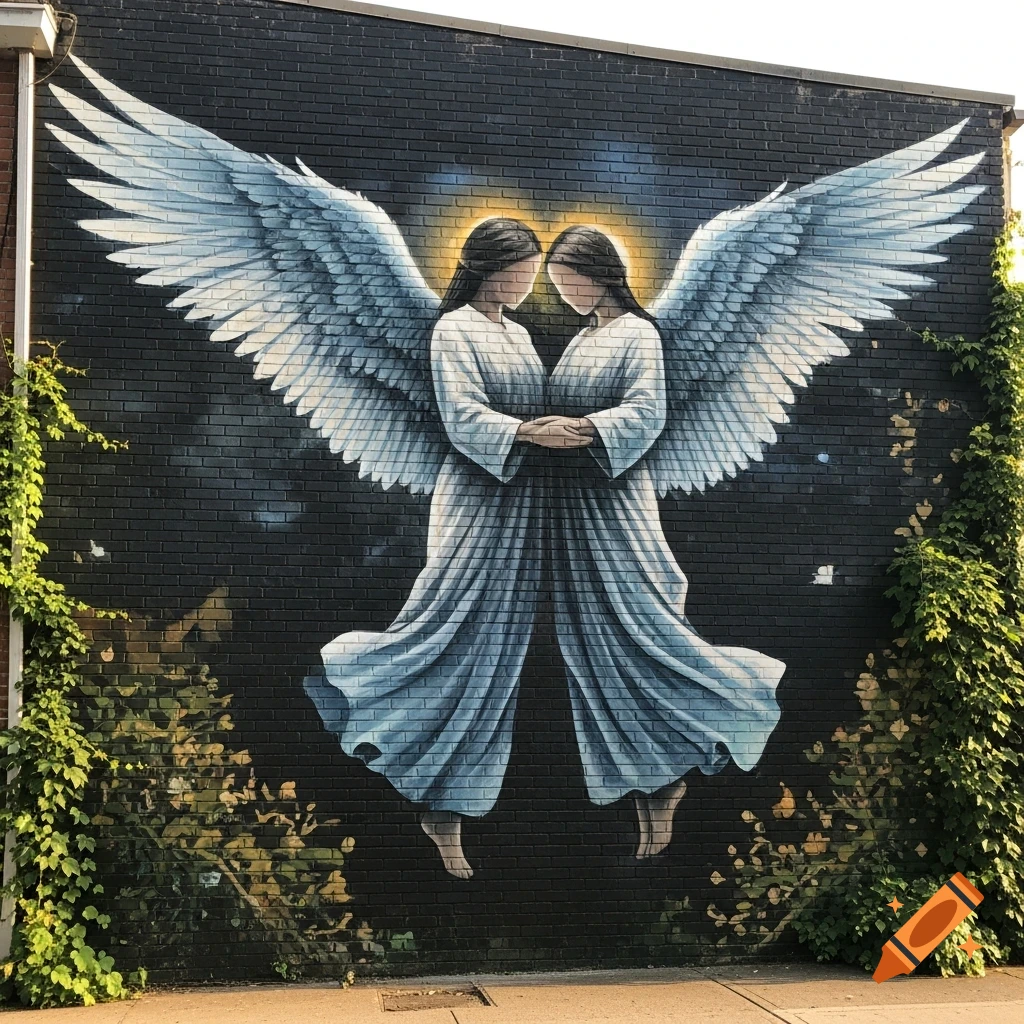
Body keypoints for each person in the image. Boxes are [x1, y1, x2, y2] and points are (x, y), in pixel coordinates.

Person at [312, 218, 592, 878]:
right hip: (475, 499)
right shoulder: (453, 329)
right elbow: (461, 417)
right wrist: (529, 432)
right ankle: (404, 752)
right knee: (449, 640)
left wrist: (563, 430)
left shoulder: (517, 334)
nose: (526, 281)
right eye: (517, 267)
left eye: (532, 269)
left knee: (496, 659)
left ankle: (450, 805)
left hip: (523, 509)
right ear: (488, 268)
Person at [543, 226, 785, 858]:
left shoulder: (638, 335)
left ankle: (706, 737)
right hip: (576, 519)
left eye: (571, 277)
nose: (565, 292)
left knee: (646, 638)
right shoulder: (582, 340)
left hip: (618, 508)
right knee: (597, 657)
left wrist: (586, 429)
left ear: (601, 272)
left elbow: (647, 412)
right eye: (557, 283)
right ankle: (651, 789)